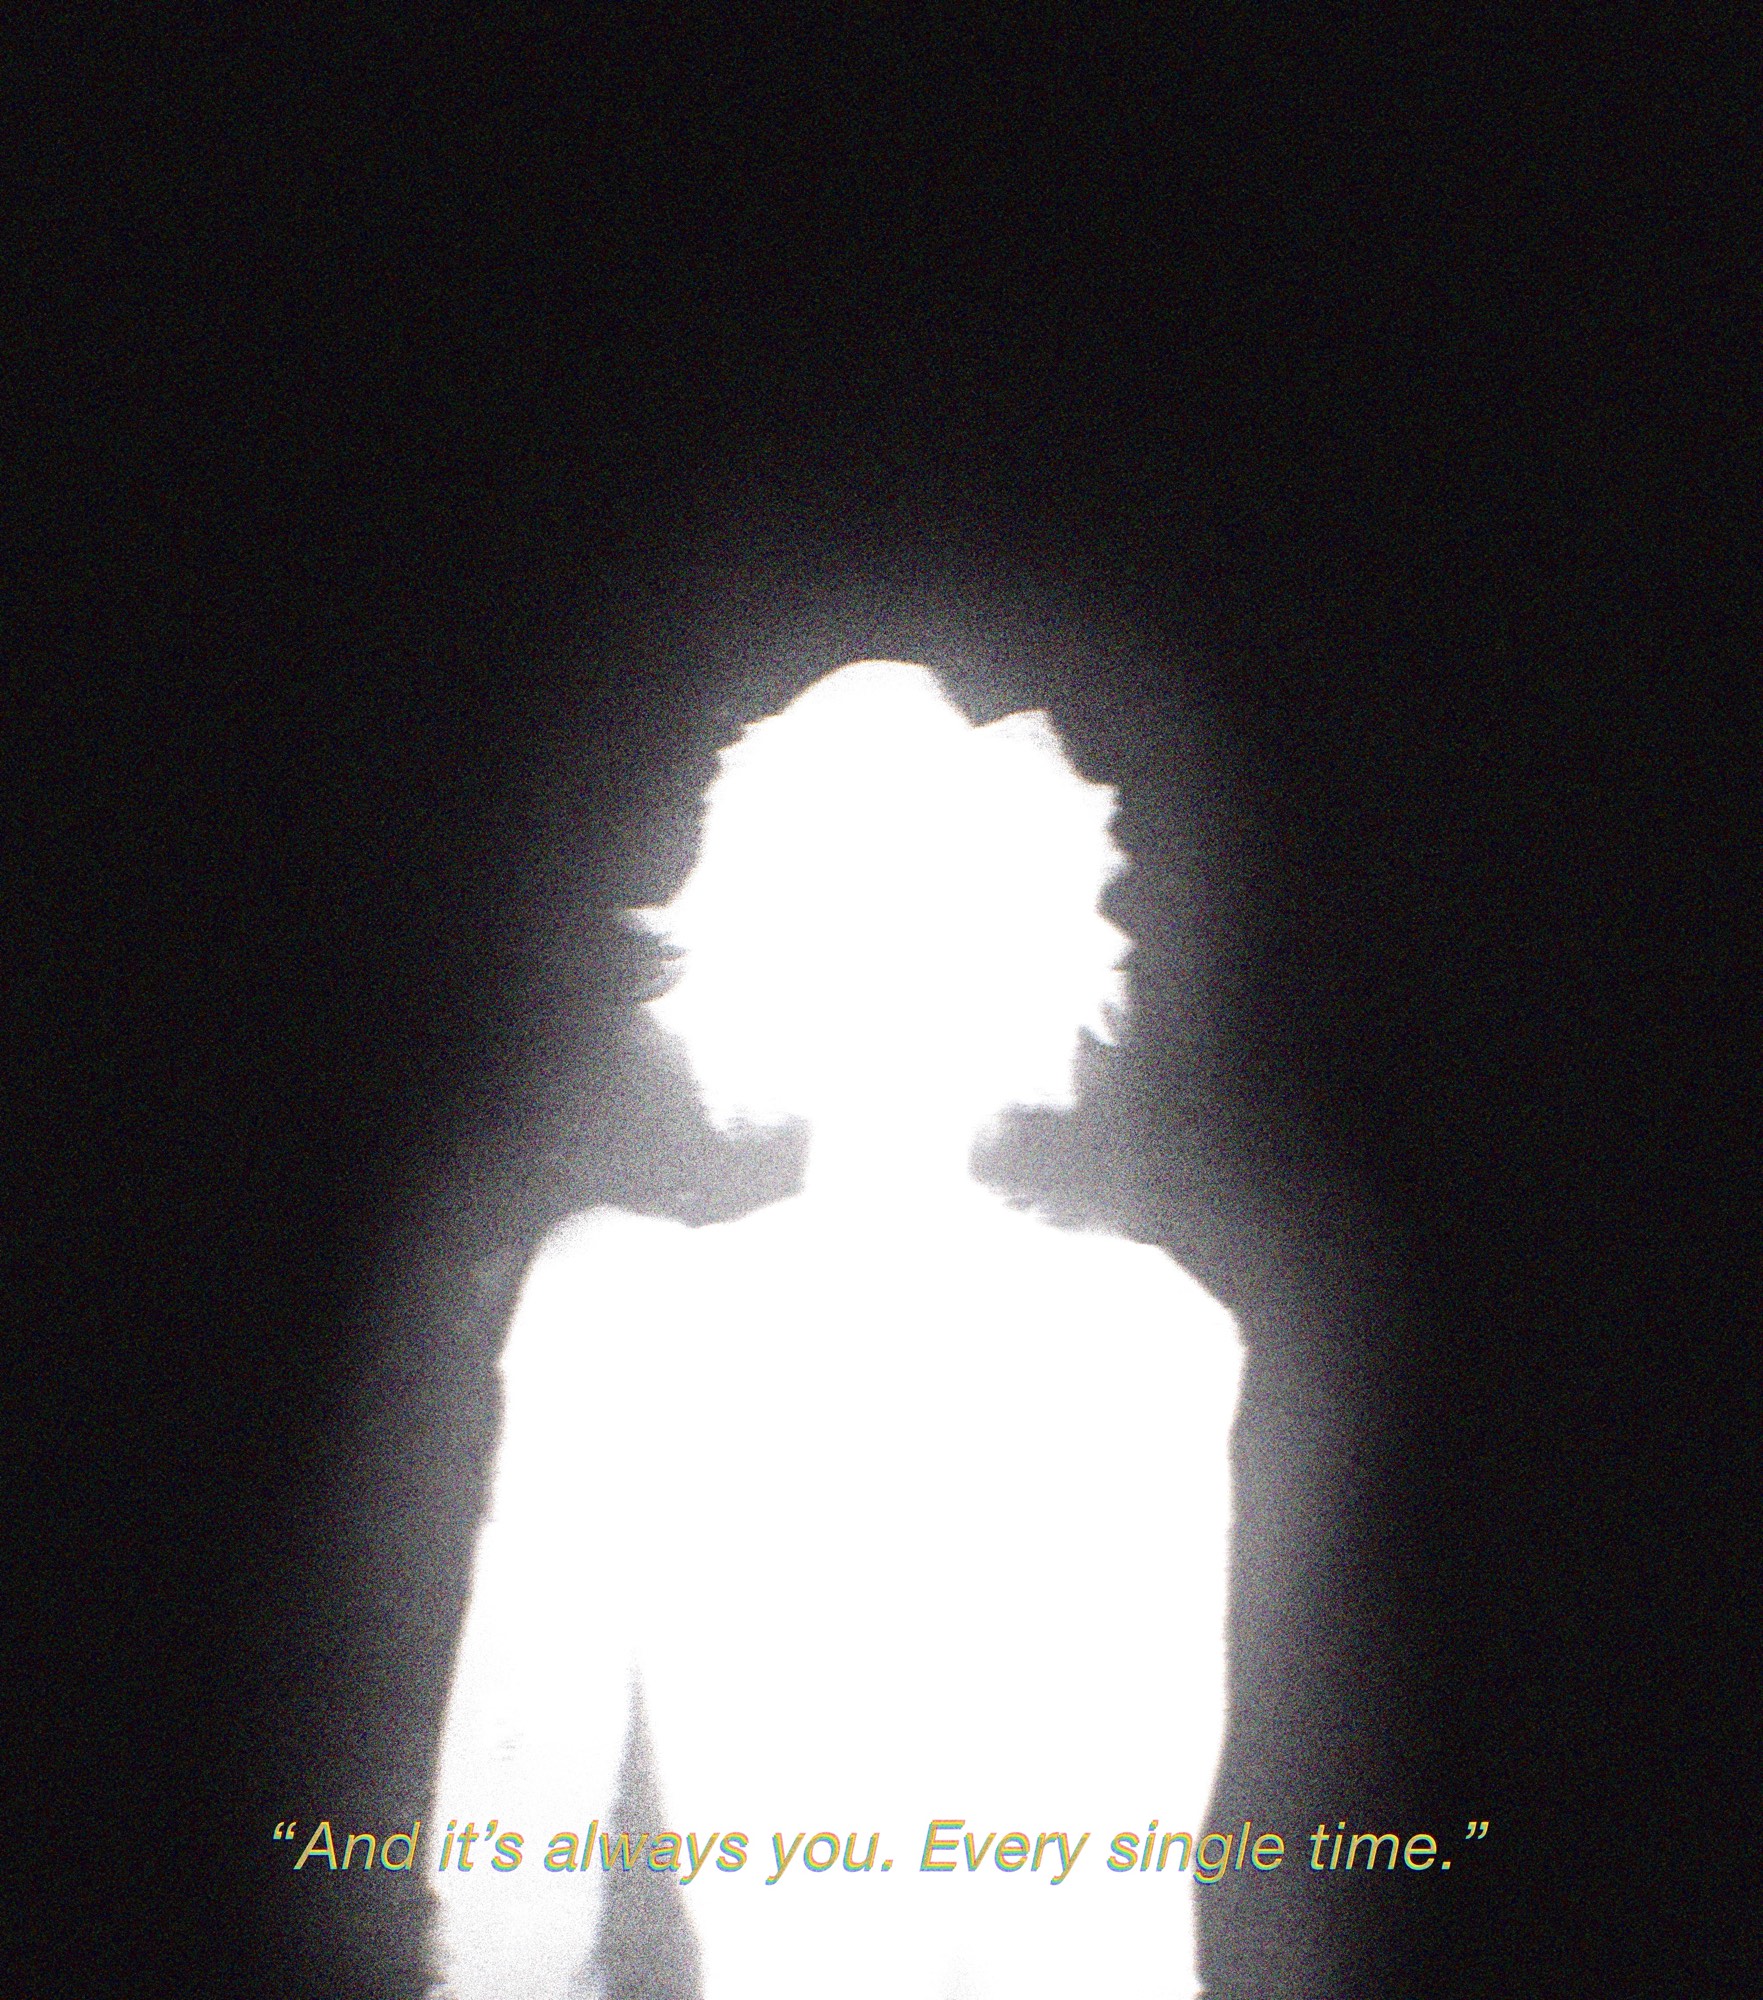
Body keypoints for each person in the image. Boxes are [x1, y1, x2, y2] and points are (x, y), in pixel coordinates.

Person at [429, 660, 1242, 2000]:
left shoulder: (1142, 1341)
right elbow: (515, 1843)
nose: (891, 979)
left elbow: (1121, 1895)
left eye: (937, 916)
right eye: (845, 912)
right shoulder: (624, 1317)